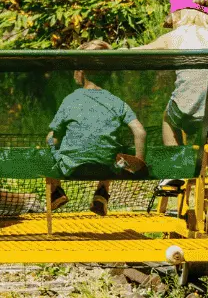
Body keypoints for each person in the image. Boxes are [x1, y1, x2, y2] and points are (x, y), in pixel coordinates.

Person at [138, 0, 208, 218]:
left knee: (168, 118)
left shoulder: (175, 37)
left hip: (191, 115)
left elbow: (141, 52)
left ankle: (175, 168)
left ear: (178, 13)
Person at [44, 40, 147, 216]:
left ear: (82, 72)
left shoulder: (70, 100)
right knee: (113, 147)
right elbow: (140, 132)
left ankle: (55, 190)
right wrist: (138, 162)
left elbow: (54, 137)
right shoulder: (116, 102)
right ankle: (102, 191)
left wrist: (55, 143)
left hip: (71, 167)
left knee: (49, 138)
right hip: (106, 167)